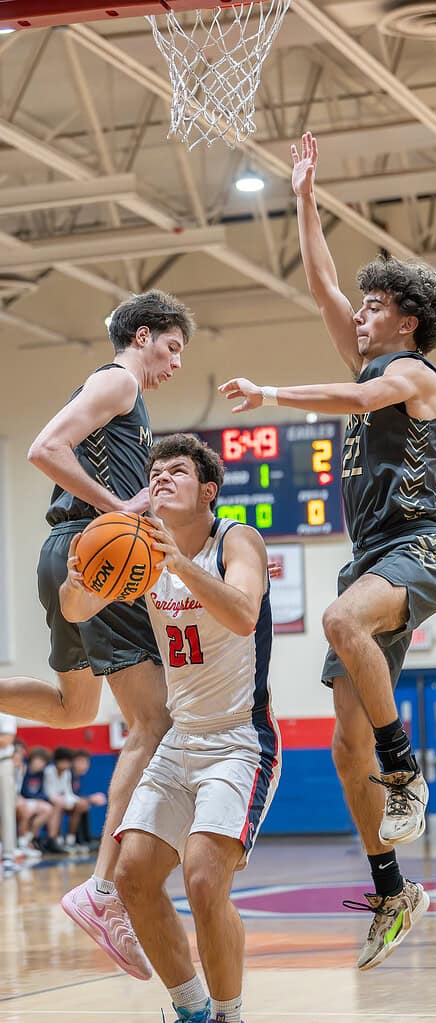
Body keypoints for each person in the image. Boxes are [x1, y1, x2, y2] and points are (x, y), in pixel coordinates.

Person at [218, 131, 436, 972]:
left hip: (417, 548)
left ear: (407, 319)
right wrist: (306, 196)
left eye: (373, 305)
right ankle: (392, 887)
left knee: (332, 616)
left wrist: (274, 391)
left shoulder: (413, 376)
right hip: (370, 563)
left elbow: (357, 391)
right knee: (339, 744)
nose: (357, 312)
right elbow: (321, 282)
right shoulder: (365, 353)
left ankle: (407, 772)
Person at [0, 290, 195, 977]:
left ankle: (103, 887)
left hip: (72, 552)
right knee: (154, 719)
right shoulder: (116, 382)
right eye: (171, 347)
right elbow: (41, 448)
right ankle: (104, 890)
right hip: (92, 552)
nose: (175, 363)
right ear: (142, 335)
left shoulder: (128, 404)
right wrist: (120, 512)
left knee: (74, 709)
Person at [59, 433, 281, 1023]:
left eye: (176, 471)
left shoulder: (236, 540)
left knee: (205, 881)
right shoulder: (138, 551)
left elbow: (243, 614)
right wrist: (80, 576)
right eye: (154, 471)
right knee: (131, 879)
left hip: (241, 741)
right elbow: (74, 610)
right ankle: (193, 1011)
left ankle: (230, 1015)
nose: (160, 477)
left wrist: (178, 561)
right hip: (182, 739)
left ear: (208, 491)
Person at [72, 749, 107, 848]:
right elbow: (68, 795)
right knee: (83, 804)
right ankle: (74, 840)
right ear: (75, 761)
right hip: (59, 802)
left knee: (84, 805)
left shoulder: (77, 777)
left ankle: (84, 840)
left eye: (87, 763)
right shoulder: (69, 774)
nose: (85, 766)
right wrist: (90, 799)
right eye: (82, 762)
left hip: (70, 802)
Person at [0, 713, 18, 869]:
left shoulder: (6, 709)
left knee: (6, 810)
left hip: (3, 763)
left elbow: (6, 740)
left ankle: (8, 855)